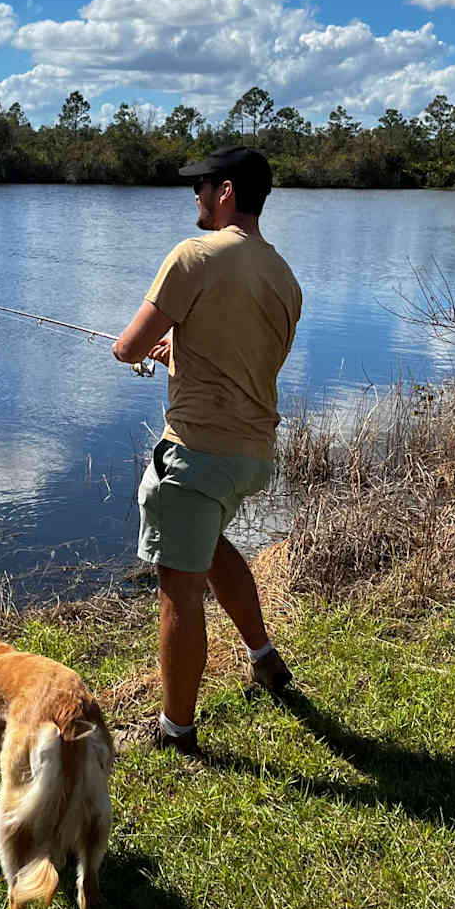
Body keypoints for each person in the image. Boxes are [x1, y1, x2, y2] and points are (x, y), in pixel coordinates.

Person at [112, 144, 302, 756]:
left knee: (179, 585)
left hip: (196, 454)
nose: (194, 199)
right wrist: (182, 352)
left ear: (225, 193)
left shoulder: (194, 256)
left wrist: (150, 347)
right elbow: (238, 356)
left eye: (200, 188)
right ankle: (265, 659)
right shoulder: (283, 277)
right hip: (252, 457)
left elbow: (127, 346)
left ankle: (177, 731)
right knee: (212, 549)